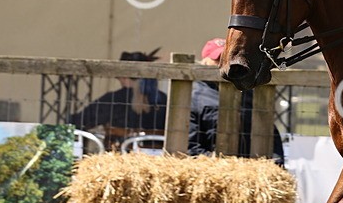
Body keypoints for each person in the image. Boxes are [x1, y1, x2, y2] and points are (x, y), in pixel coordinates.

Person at [188, 38, 284, 166]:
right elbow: (192, 147)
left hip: (254, 169)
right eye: (217, 59)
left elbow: (272, 136)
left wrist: (276, 164)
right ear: (204, 62)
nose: (222, 64)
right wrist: (226, 165)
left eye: (227, 58)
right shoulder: (195, 98)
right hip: (215, 170)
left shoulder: (250, 94)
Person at [68, 49, 166, 140]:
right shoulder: (164, 100)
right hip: (158, 156)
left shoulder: (114, 99)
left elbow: (80, 121)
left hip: (121, 154)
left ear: (124, 77)